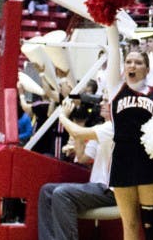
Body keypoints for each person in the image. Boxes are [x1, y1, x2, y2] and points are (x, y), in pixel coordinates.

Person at [103, 27, 153, 240]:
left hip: (148, 160)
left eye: (139, 62)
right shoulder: (115, 88)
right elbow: (114, 48)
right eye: (129, 62)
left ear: (147, 68)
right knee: (130, 224)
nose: (133, 65)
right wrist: (110, 23)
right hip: (122, 159)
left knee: (150, 223)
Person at [37, 98, 117, 240]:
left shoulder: (113, 127)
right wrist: (78, 126)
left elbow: (78, 133)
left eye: (107, 101)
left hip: (110, 190)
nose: (101, 104)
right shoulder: (100, 128)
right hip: (96, 188)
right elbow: (82, 158)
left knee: (62, 194)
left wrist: (62, 115)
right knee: (46, 191)